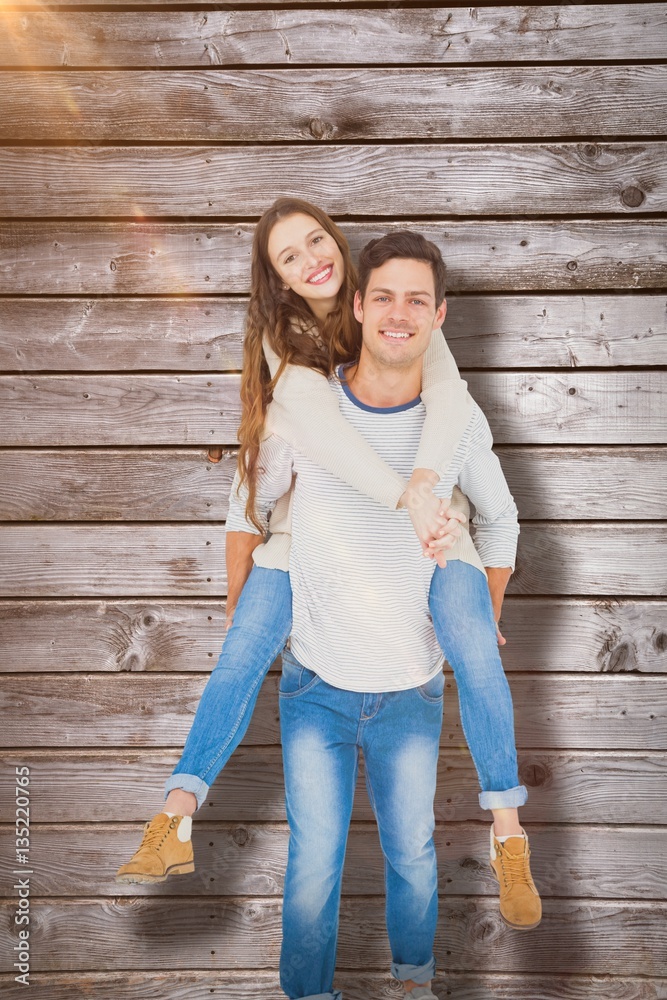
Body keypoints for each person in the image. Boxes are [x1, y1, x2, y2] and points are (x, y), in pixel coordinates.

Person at [116, 201, 539, 934]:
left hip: (435, 535)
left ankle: (508, 832)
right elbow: (263, 489)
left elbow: (450, 407)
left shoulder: (398, 309)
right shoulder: (290, 354)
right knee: (241, 653)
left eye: (316, 239)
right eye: (288, 256)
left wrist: (430, 488)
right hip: (302, 540)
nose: (311, 257)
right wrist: (238, 590)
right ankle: (175, 815)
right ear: (278, 281)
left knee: (476, 653)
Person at [228, 231, 540, 999]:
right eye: (385, 297)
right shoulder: (306, 405)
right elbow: (249, 506)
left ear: (439, 317)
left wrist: (481, 619)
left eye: (417, 300)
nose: (398, 314)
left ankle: (413, 983)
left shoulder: (456, 421)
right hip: (315, 686)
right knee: (313, 867)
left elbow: (500, 521)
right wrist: (247, 616)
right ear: (357, 307)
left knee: (410, 855)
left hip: (410, 690)